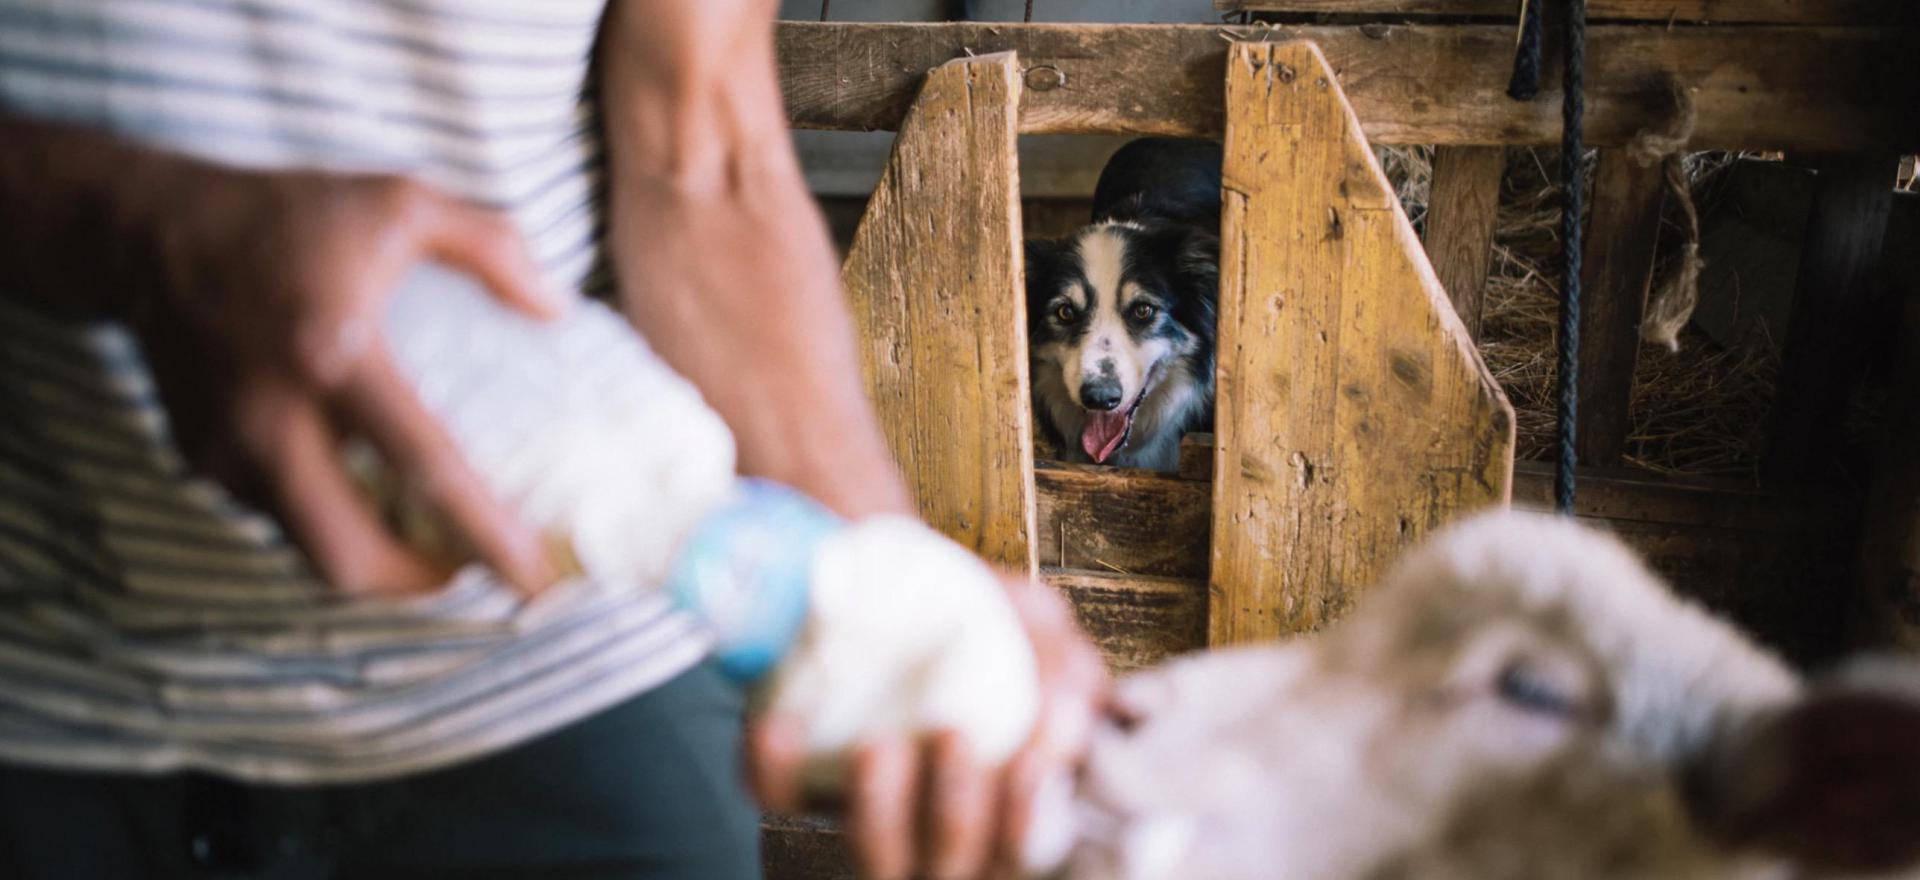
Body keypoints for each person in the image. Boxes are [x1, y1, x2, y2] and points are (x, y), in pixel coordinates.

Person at [0, 1, 1105, 878]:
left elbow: (703, 147)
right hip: (49, 698)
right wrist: (134, 224)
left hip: (569, 677)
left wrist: (889, 596)